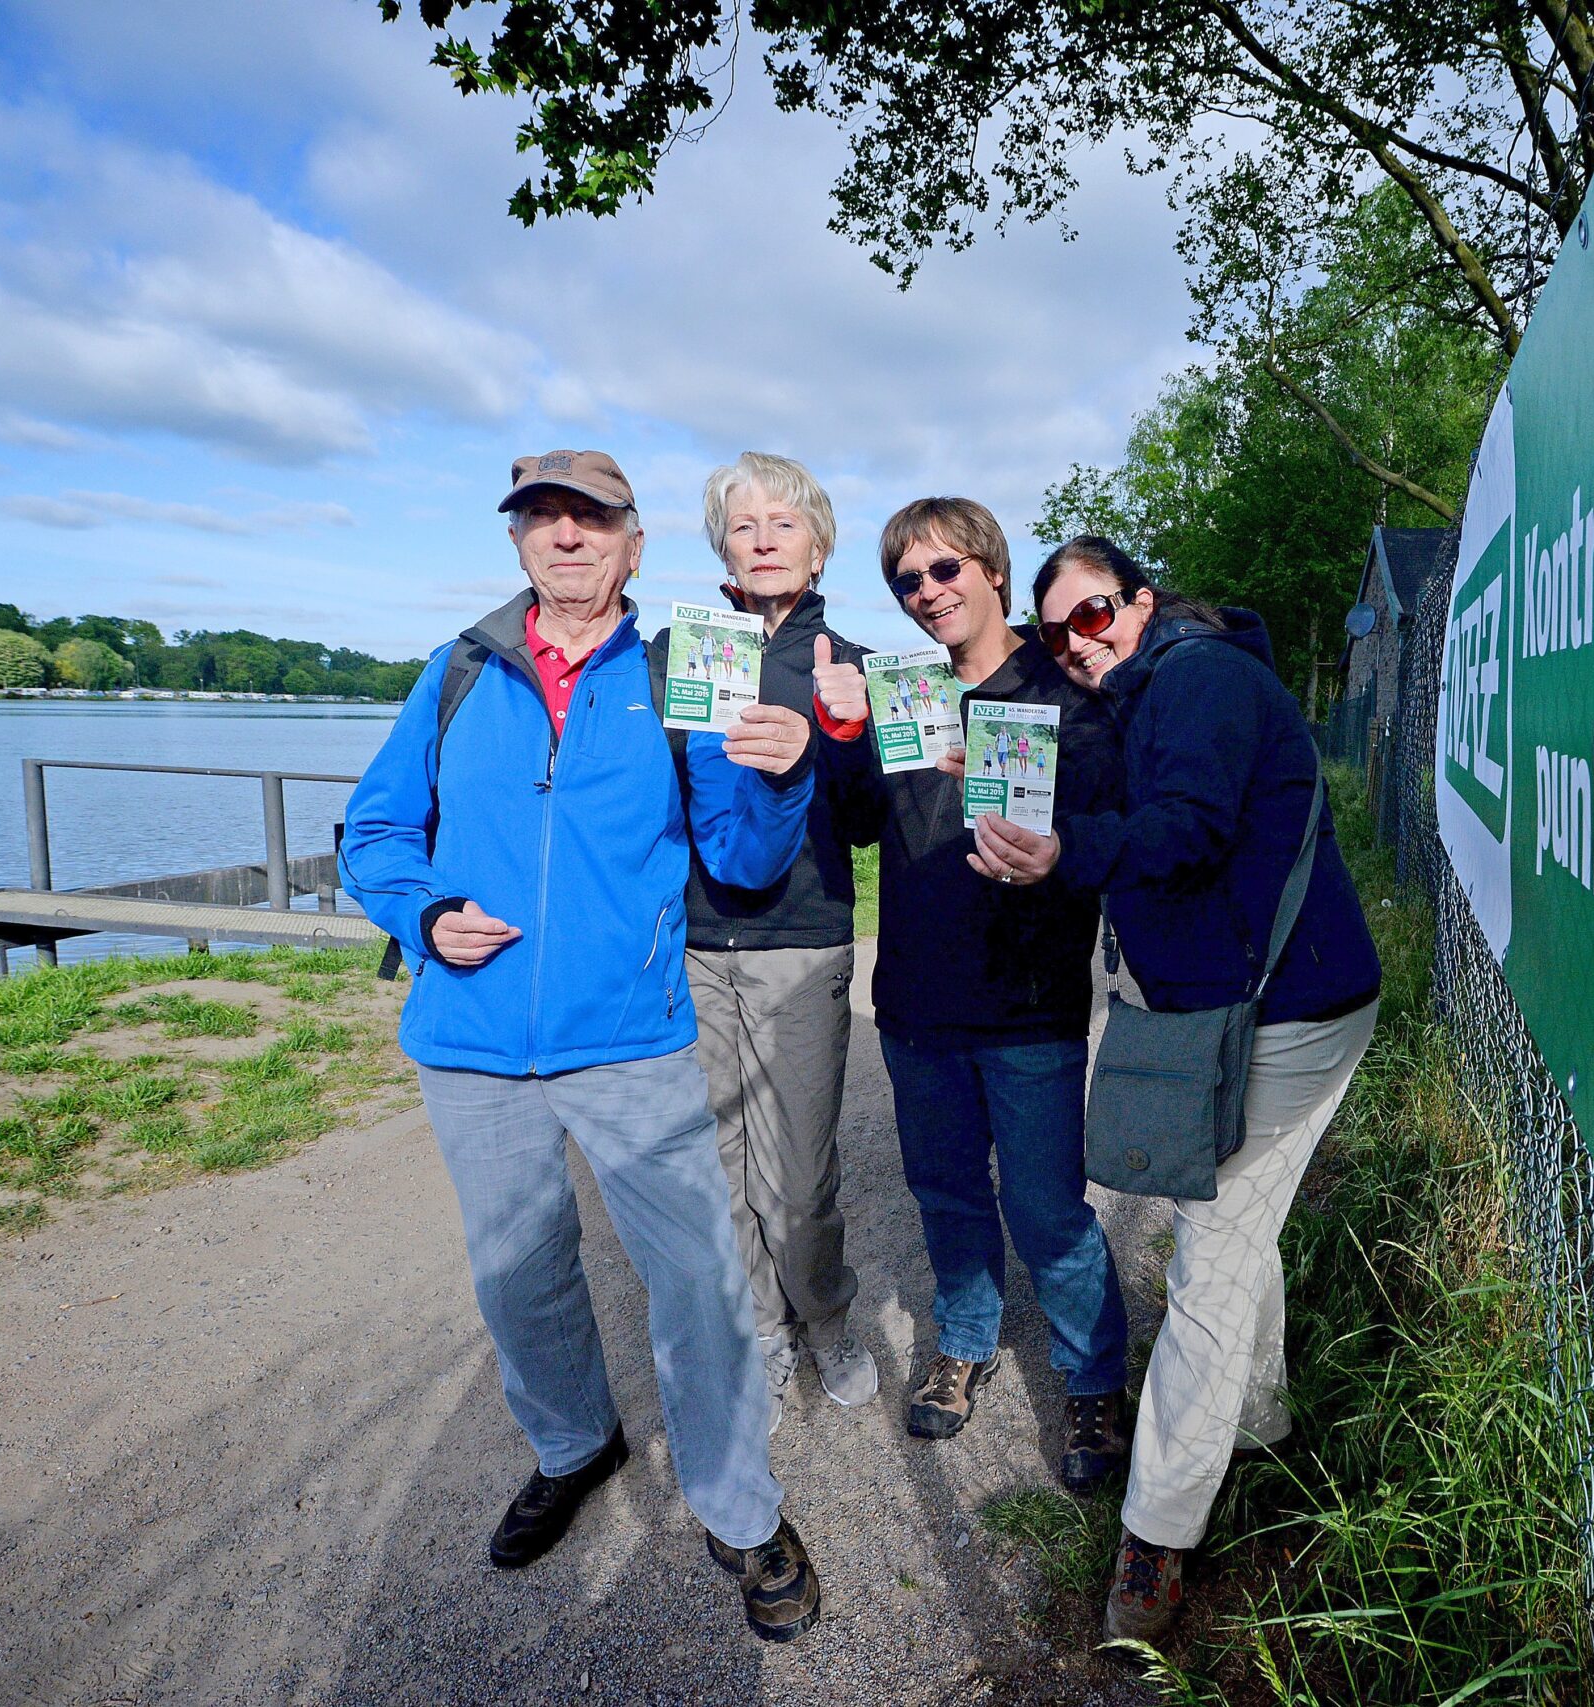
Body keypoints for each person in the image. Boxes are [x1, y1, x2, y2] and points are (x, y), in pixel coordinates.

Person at [340, 448, 826, 1644]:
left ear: (634, 544)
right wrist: (423, 913)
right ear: (517, 543)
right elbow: (375, 829)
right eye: (542, 520)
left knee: (700, 1278)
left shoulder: (686, 669)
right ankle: (574, 1446)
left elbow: (745, 857)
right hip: (471, 1040)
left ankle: (739, 1506)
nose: (567, 538)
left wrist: (777, 780)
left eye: (592, 519)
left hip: (628, 1038)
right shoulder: (456, 669)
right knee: (519, 1275)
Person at [984, 536, 1383, 1643]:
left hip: (1291, 1018)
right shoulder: (1148, 687)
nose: (1079, 642)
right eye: (1058, 628)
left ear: (1142, 603)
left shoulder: (1198, 678)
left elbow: (1184, 830)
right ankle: (1256, 1423)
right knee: (1230, 1234)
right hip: (1235, 1013)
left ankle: (1154, 1538)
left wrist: (1062, 849)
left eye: (1096, 613)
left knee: (1206, 1262)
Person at [814, 497, 1135, 1492]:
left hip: (1028, 1002)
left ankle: (1093, 1377)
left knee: (1045, 1211)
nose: (926, 593)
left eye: (944, 570)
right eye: (908, 581)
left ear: (994, 571)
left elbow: (1107, 818)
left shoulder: (1060, 686)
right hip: (915, 1001)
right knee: (945, 1192)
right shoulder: (902, 685)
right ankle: (965, 1340)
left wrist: (1045, 826)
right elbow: (866, 822)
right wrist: (842, 729)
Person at [664, 451, 881, 1427]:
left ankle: (825, 1315)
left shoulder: (858, 664)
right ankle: (756, 1323)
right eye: (741, 524)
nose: (761, 538)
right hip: (699, 943)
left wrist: (837, 742)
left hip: (803, 940)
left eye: (781, 522)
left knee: (798, 1168)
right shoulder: (679, 651)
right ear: (721, 545)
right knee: (718, 1156)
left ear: (818, 543)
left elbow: (880, 818)